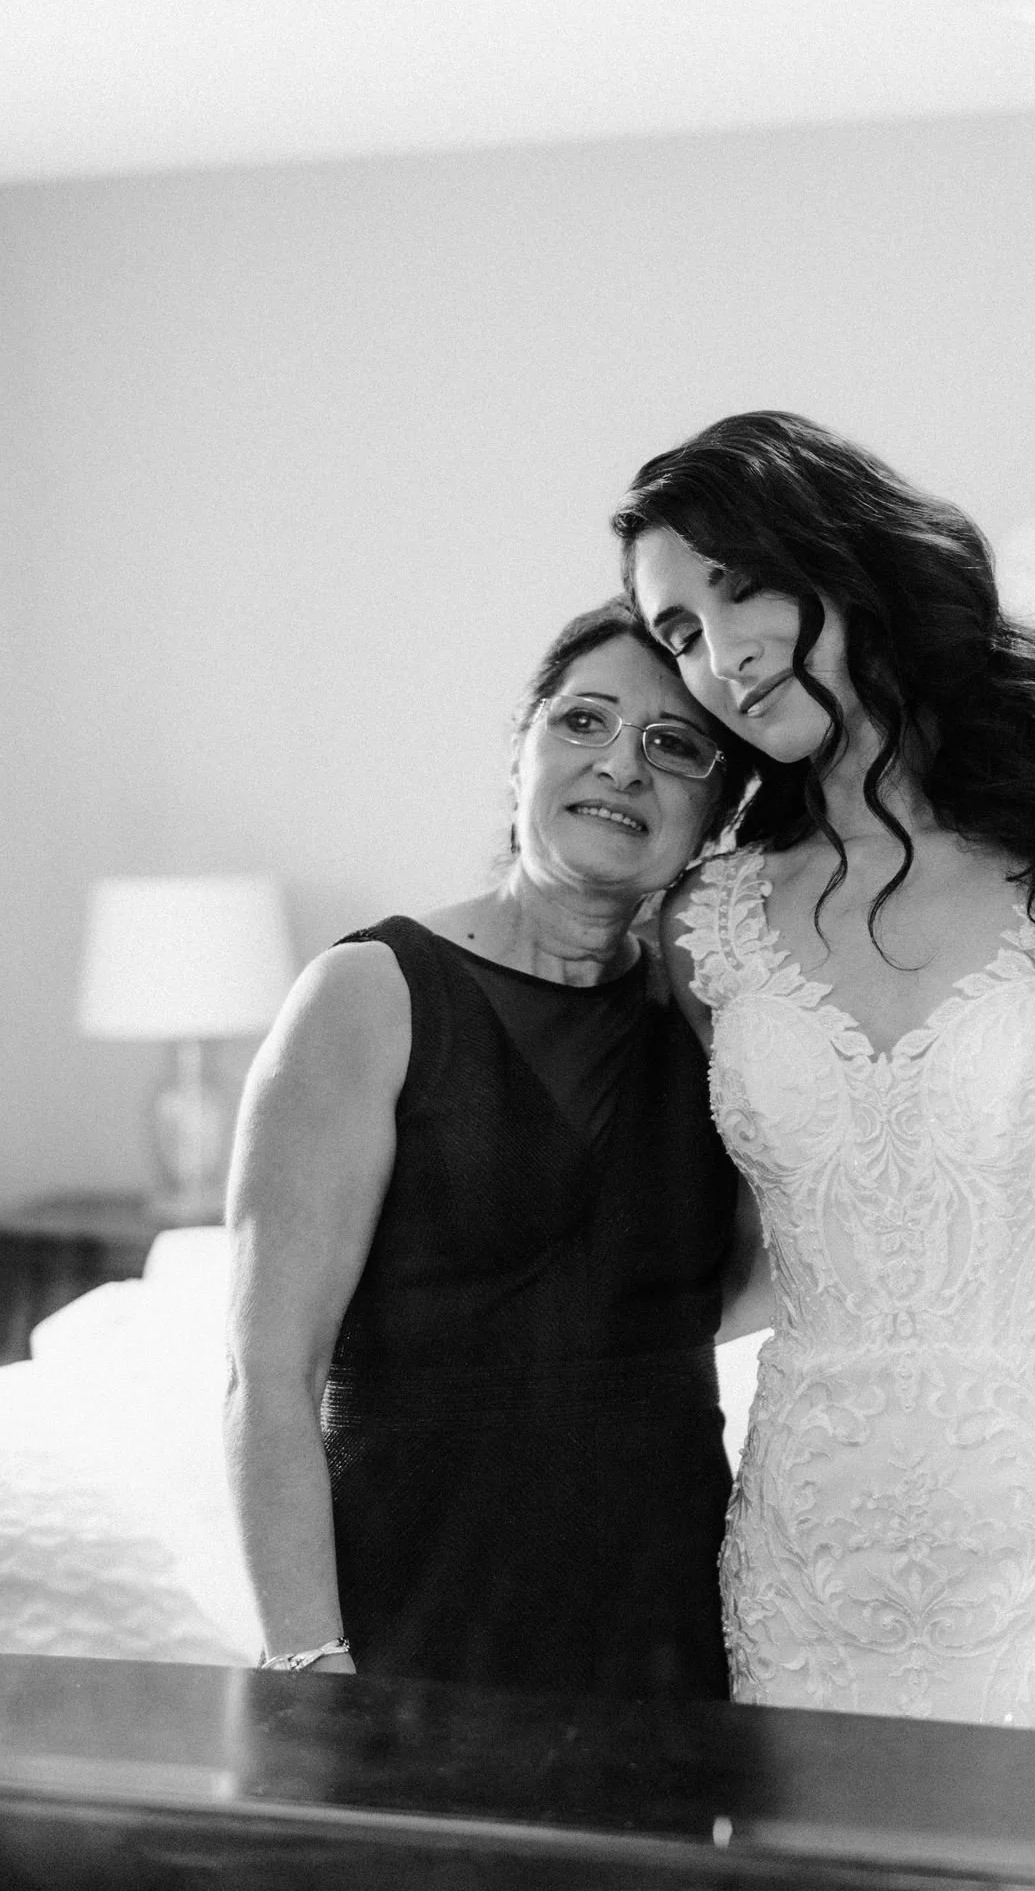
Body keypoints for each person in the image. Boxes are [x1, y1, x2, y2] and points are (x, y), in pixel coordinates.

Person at [613, 411, 1035, 1730]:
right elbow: (685, 1246)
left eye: (742, 586)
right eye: (680, 631)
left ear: (847, 561)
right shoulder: (704, 924)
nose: (722, 654)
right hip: (811, 1557)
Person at [223, 599, 758, 1696]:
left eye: (674, 744)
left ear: (715, 813)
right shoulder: (368, 996)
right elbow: (269, 1376)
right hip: (417, 1628)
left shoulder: (720, 1021)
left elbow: (751, 1280)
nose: (621, 763)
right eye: (583, 720)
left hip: (673, 1632)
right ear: (520, 752)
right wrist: (308, 1664)